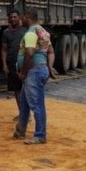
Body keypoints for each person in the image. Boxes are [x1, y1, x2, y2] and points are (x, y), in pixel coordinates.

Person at [14, 9, 57, 144]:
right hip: (40, 69)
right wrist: (49, 67)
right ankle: (20, 130)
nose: (21, 20)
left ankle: (40, 135)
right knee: (25, 103)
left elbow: (30, 53)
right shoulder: (43, 32)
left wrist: (23, 73)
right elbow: (50, 52)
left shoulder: (31, 33)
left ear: (27, 17)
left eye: (22, 17)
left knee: (36, 104)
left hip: (33, 71)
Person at [0, 10, 27, 118]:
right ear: (8, 19)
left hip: (24, 65)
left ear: (19, 17)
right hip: (12, 65)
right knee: (16, 89)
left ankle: (27, 114)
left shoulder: (25, 31)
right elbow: (4, 49)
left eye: (15, 17)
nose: (13, 19)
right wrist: (4, 65)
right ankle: (22, 113)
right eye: (11, 17)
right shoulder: (6, 33)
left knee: (26, 89)